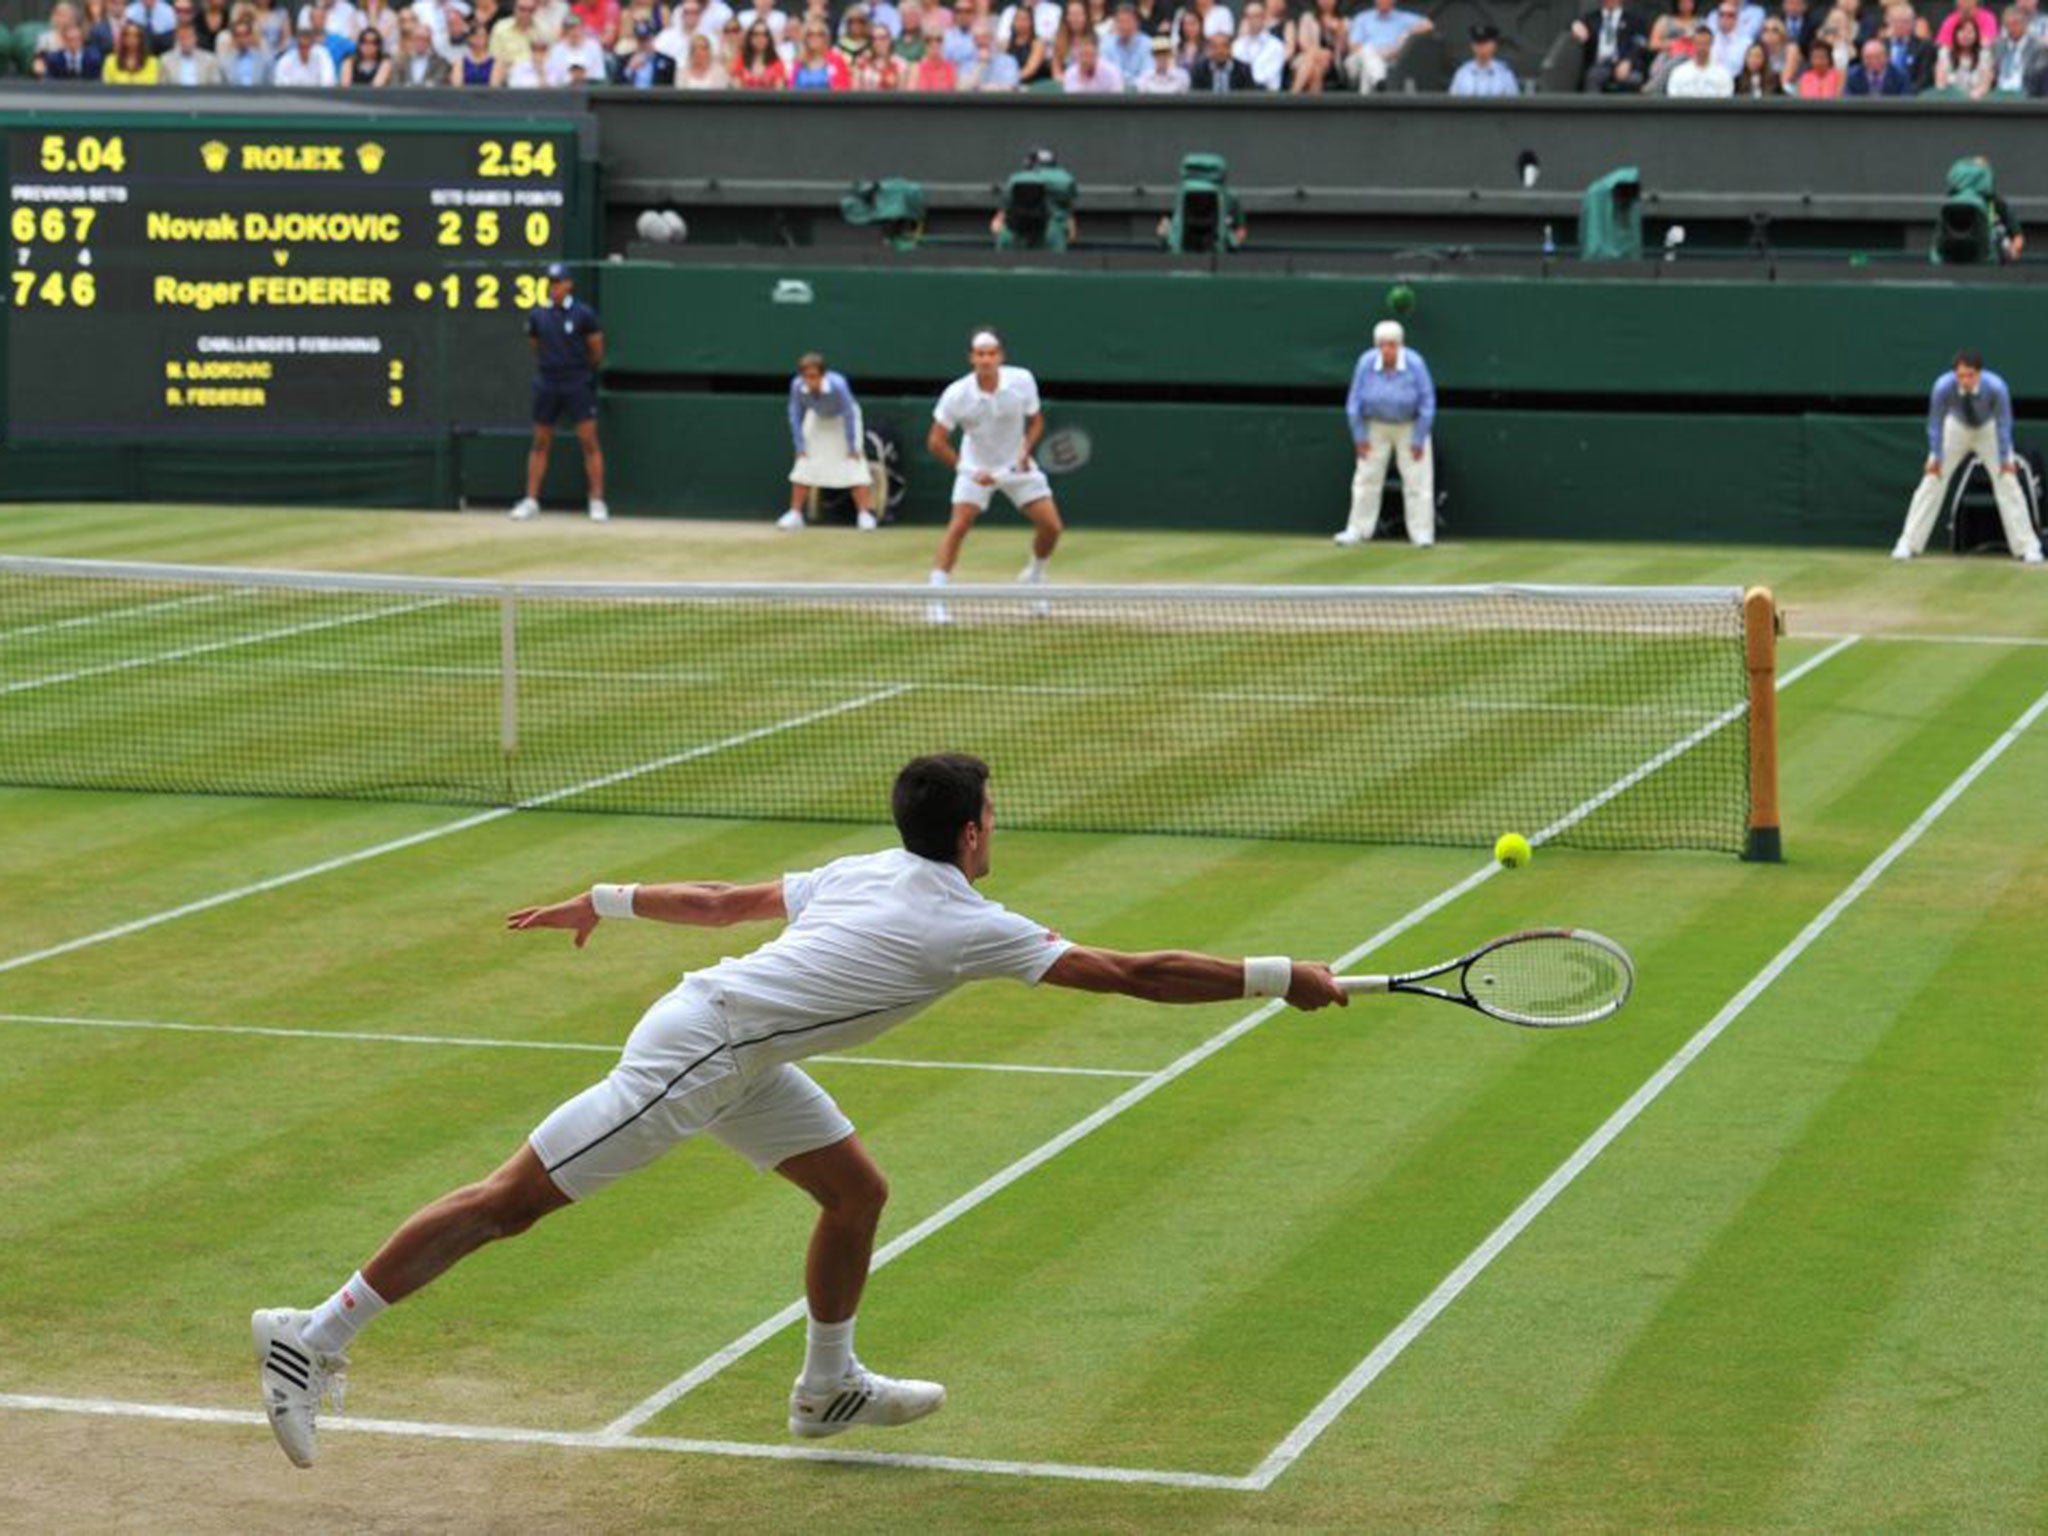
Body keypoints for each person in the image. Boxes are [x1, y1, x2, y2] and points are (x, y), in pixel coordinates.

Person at [251, 753, 1349, 1469]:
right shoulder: (972, 927)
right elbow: (1134, 972)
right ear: (971, 834)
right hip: (705, 1054)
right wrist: (1274, 973)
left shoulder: (869, 871)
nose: (993, 829)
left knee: (854, 1192)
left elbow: (726, 902)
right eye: (992, 818)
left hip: (739, 1050)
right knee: (512, 1202)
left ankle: (827, 1390)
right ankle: (313, 1335)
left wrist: (603, 899)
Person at [925, 330, 1063, 623]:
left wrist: (1025, 449)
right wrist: (970, 471)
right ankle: (935, 599)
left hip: (1017, 467)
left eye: (991, 353)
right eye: (980, 354)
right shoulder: (957, 394)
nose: (986, 359)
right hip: (974, 466)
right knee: (959, 524)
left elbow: (1036, 421)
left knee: (1051, 527)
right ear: (972, 358)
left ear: (1000, 356)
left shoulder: (1022, 380)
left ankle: (1034, 577)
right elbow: (936, 442)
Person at [1893, 351, 2043, 563]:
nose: (1965, 380)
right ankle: (1908, 543)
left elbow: (2004, 424)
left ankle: (2028, 547)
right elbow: (1935, 423)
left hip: (1988, 430)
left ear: (1979, 373)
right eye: (1960, 375)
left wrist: (2004, 459)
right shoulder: (1943, 387)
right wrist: (1935, 456)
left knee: (2008, 484)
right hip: (1955, 428)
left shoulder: (1997, 387)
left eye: (1970, 375)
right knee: (1931, 482)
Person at [510, 263, 608, 523]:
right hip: (547, 383)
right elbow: (535, 346)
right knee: (540, 443)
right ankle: (531, 500)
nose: (553, 287)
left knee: (589, 443)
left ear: (569, 284)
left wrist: (578, 369)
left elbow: (596, 350)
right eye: (550, 283)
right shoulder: (538, 315)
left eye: (558, 282)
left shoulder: (584, 314)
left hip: (577, 382)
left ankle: (597, 501)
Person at [1335, 319, 1436, 549]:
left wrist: (1419, 437)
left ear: (1400, 345)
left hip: (1410, 425)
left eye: (1391, 344)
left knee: (1417, 480)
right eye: (1382, 344)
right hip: (1375, 426)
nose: (1387, 349)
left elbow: (1427, 401)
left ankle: (1422, 534)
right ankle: (1357, 530)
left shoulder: (1415, 363)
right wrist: (1359, 436)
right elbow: (1354, 401)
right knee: (1366, 477)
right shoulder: (1366, 362)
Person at [778, 354, 877, 532]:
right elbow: (795, 414)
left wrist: (852, 445)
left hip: (843, 421)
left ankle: (864, 515)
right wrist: (800, 446)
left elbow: (849, 414)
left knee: (854, 464)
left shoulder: (838, 385)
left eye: (814, 376)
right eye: (806, 377)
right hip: (817, 418)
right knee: (804, 464)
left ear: (823, 375)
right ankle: (795, 514)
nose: (810, 381)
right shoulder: (797, 386)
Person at [1572, 0, 1649, 88]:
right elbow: (1572, 25)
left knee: (1636, 79)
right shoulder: (1591, 18)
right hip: (1600, 64)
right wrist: (1575, 25)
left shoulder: (1633, 20)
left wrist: (1628, 61)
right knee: (1593, 76)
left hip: (1625, 63)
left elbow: (1641, 43)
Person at [1448, 20, 1516, 91]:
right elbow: (1453, 100)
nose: (1481, 47)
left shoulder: (1504, 74)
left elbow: (1513, 100)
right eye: (1478, 43)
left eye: (1485, 43)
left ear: (1494, 46)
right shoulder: (1462, 73)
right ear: (1472, 46)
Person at [1989, 1, 2043, 87]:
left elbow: (2038, 75)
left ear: (2025, 24)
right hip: (2000, 93)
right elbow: (1991, 71)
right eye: (2008, 24)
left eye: (2015, 24)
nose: (2011, 28)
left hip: (2026, 93)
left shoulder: (2037, 48)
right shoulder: (1997, 46)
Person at [1232, 0, 1285, 83]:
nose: (1252, 20)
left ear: (1264, 18)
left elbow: (1268, 77)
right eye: (1248, 17)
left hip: (1266, 94)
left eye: (1256, 16)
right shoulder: (1237, 45)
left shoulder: (1276, 46)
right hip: (1241, 93)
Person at [1666, 22, 1735, 84]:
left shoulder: (1723, 75)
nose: (1702, 47)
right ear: (1693, 44)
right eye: (1699, 43)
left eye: (1705, 43)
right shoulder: (1679, 74)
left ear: (1711, 44)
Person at [1935, 12, 1992, 86]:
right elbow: (1940, 84)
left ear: (1976, 36)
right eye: (1962, 31)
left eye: (1970, 32)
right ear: (1955, 34)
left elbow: (1985, 84)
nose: (1966, 35)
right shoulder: (1945, 53)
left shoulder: (1984, 55)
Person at [159, 15, 225, 75]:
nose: (186, 42)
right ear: (177, 39)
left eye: (189, 37)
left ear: (195, 38)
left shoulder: (210, 61)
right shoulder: (165, 61)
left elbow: (216, 86)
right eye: (182, 38)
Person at [1189, 23, 1255, 82]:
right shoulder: (1199, 70)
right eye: (1215, 47)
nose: (1220, 51)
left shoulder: (1243, 71)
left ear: (1230, 49)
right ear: (1209, 49)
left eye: (1224, 46)